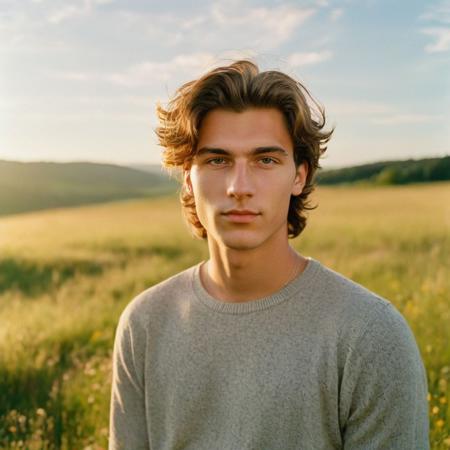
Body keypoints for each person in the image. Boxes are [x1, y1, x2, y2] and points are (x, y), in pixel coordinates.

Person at [109, 60, 429, 449]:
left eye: (266, 160)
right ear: (188, 178)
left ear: (299, 175)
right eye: (217, 160)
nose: (239, 187)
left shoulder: (370, 335)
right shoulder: (144, 324)